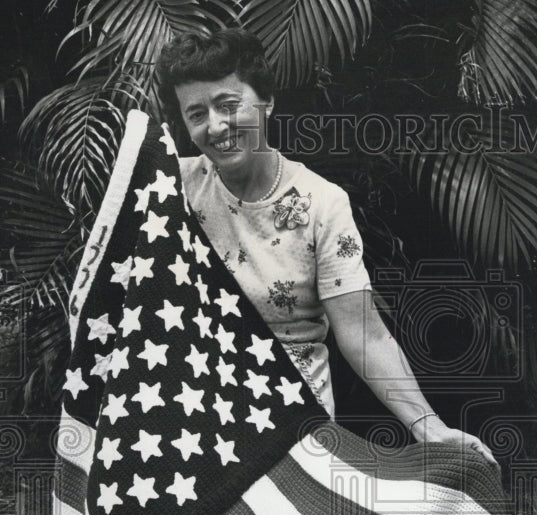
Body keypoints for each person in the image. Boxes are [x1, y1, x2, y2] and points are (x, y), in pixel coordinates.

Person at [156, 28, 496, 462]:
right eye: (197, 114)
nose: (217, 126)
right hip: (199, 426)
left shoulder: (322, 203)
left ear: (266, 101)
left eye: (228, 105)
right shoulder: (171, 190)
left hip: (296, 434)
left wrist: (430, 428)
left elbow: (364, 334)